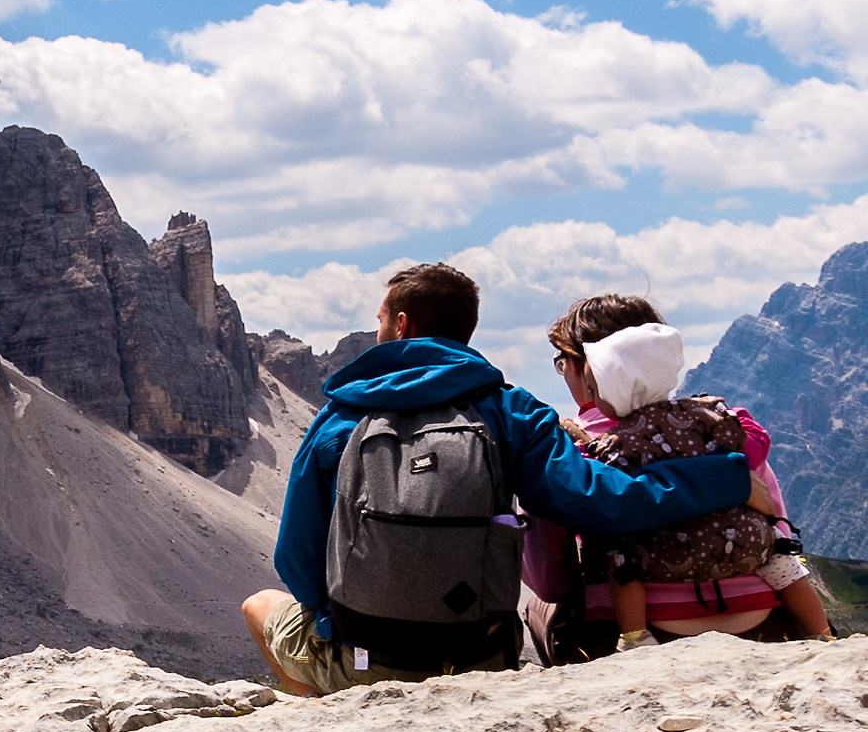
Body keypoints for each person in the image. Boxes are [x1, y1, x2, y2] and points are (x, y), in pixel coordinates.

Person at [242, 263, 776, 695]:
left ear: (400, 325)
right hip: (482, 658)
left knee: (260, 605)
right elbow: (599, 500)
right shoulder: (510, 409)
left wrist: (351, 621)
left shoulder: (342, 417)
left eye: (381, 319)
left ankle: (330, 709)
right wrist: (724, 477)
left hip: (364, 658)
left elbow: (296, 555)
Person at [528, 295, 832, 658]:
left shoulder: (578, 446)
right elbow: (777, 523)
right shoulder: (721, 425)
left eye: (564, 364)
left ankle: (632, 639)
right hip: (760, 615)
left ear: (588, 368)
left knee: (539, 606)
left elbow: (551, 581)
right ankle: (824, 637)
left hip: (638, 621)